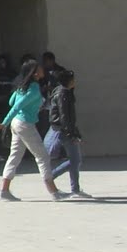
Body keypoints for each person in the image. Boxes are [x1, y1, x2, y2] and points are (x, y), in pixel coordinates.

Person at [0, 58, 63, 202]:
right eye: (39, 68)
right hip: (25, 124)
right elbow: (16, 106)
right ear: (34, 73)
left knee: (14, 156)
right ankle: (54, 192)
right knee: (42, 156)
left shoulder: (22, 86)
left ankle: (4, 190)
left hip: (17, 124)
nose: (42, 69)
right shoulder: (34, 88)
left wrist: (19, 93)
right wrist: (3, 124)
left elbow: (11, 102)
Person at [43, 68, 87, 197]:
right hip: (63, 130)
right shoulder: (63, 93)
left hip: (63, 129)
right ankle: (51, 177)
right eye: (73, 79)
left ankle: (75, 188)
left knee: (75, 160)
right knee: (75, 160)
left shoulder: (63, 91)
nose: (75, 81)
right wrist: (71, 133)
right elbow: (64, 116)